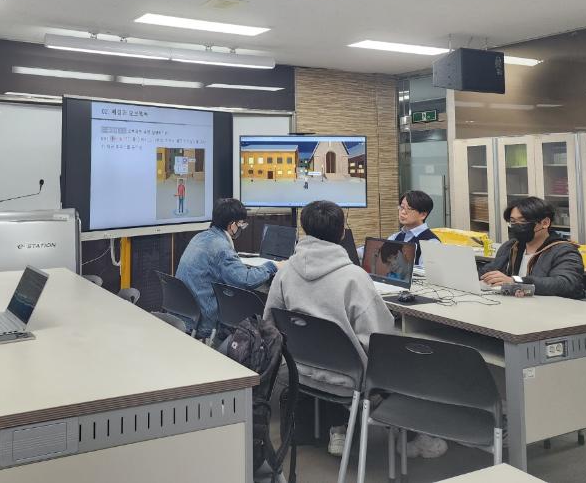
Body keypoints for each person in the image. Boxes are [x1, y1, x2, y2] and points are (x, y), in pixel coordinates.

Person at [262, 201, 436, 458]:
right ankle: (416, 436)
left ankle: (339, 427)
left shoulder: (285, 273)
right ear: (342, 232)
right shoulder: (354, 277)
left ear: (304, 230)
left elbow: (269, 324)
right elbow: (380, 338)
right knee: (410, 357)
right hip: (346, 380)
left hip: (298, 371)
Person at [176, 198, 282, 338]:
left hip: (184, 314)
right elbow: (246, 280)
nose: (241, 228)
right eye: (241, 224)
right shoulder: (221, 248)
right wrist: (273, 265)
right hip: (204, 321)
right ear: (232, 225)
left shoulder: (199, 237)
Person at [481, 196, 585, 298]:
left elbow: (565, 283)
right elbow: (489, 270)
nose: (517, 226)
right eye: (513, 222)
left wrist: (516, 281)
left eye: (523, 221)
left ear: (545, 223)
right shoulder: (511, 246)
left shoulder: (564, 250)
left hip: (551, 307)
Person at [389, 190, 440, 264]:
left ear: (423, 215)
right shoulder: (394, 237)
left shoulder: (431, 243)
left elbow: (426, 270)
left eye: (409, 209)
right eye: (402, 207)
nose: (403, 212)